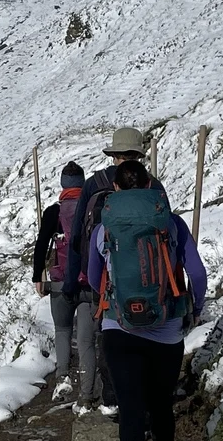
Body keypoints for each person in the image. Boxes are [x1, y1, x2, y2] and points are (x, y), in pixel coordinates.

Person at [86, 159, 206, 441]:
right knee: (160, 404)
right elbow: (197, 274)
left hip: (118, 328)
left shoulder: (103, 228)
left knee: (130, 406)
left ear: (115, 188)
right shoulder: (171, 223)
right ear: (150, 185)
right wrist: (194, 309)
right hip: (166, 330)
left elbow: (94, 278)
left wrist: (116, 299)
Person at [62, 127, 171, 416]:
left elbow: (76, 237)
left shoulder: (94, 184)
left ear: (114, 155)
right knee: (146, 335)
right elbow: (168, 234)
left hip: (104, 281)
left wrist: (73, 282)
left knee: (109, 338)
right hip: (151, 280)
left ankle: (112, 398)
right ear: (139, 156)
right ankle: (145, 399)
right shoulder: (154, 186)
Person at [32, 161, 99, 406]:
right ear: (83, 183)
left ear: (63, 184)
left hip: (60, 282)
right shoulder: (93, 209)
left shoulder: (54, 212)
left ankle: (63, 377)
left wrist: (38, 277)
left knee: (62, 330)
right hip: (89, 281)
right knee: (87, 341)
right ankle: (87, 396)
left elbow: (41, 245)